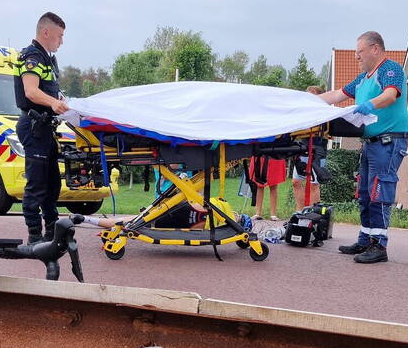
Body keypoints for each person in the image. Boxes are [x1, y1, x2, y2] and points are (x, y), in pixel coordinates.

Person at [318, 31, 408, 264]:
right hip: (370, 143)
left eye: (360, 52)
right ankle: (365, 239)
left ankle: (379, 245)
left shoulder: (390, 69)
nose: (356, 57)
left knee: (379, 190)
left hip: (388, 141)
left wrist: (369, 105)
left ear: (375, 49)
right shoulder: (362, 78)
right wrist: (308, 101)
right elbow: (337, 95)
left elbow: (390, 95)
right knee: (366, 193)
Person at [14, 12, 69, 244]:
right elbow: (31, 91)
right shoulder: (32, 56)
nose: (61, 41)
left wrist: (62, 101)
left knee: (52, 184)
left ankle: (52, 232)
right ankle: (34, 236)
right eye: (59, 36)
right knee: (37, 184)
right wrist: (54, 103)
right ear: (46, 32)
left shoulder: (47, 59)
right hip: (33, 125)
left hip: (45, 128)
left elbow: (48, 90)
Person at [79, 197, 245, 231]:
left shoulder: (222, 204)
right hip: (176, 220)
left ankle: (87, 219)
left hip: (173, 206)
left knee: (129, 221)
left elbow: (196, 198)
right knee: (128, 223)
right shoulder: (222, 225)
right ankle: (87, 219)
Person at [293, 89, 331, 210]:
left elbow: (329, 132)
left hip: (318, 151)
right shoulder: (303, 112)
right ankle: (299, 212)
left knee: (314, 184)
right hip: (302, 149)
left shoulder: (325, 112)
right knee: (296, 182)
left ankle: (314, 212)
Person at [248, 155, 287, 220]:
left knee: (274, 185)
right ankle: (258, 213)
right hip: (261, 156)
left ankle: (273, 214)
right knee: (259, 184)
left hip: (274, 156)